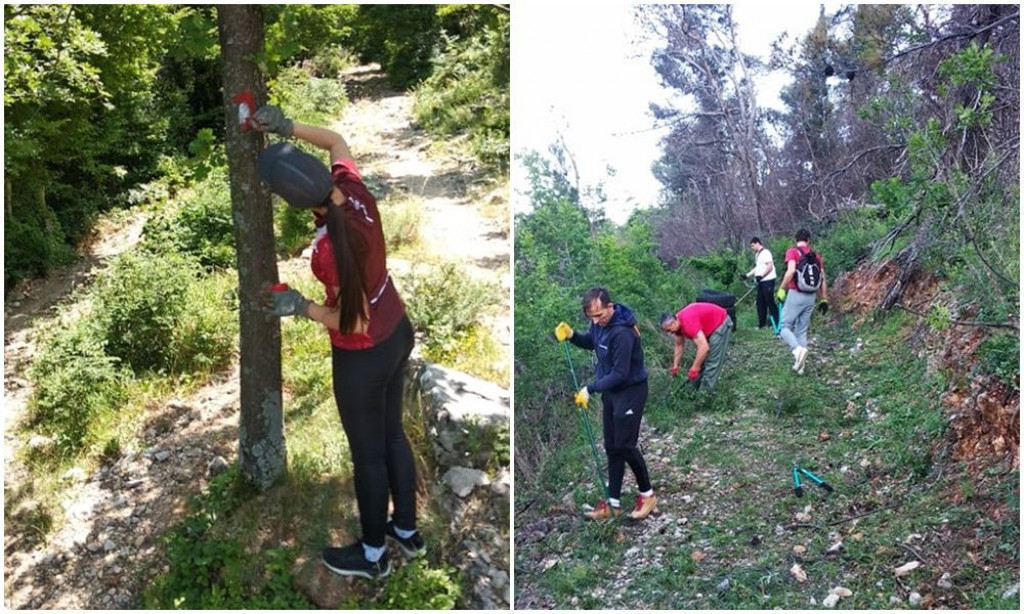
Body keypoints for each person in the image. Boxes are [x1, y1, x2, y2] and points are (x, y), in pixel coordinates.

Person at [253, 105, 421, 580]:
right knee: (392, 435)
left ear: (304, 206)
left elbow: (353, 323)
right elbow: (336, 142)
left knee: (368, 454)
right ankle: (405, 530)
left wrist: (301, 307)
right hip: (398, 332)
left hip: (363, 357)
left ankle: (371, 556)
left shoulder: (332, 252)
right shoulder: (352, 192)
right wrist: (287, 128)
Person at [554, 288, 657, 521]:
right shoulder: (598, 325)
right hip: (611, 392)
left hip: (630, 390)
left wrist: (590, 389)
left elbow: (620, 373)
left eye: (600, 315)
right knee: (611, 446)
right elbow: (592, 342)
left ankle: (648, 495)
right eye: (592, 317)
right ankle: (613, 504)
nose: (596, 321)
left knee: (625, 445)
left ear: (610, 307)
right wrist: (572, 335)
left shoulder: (623, 333)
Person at [775, 228, 829, 374]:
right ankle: (801, 367)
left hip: (796, 294)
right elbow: (822, 278)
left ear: (796, 239)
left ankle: (797, 350)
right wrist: (823, 298)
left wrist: (782, 289)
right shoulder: (816, 256)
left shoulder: (792, 252)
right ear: (808, 240)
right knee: (801, 331)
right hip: (811, 296)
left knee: (784, 327)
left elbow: (791, 271)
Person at [660, 301, 734, 392]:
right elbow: (679, 345)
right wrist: (675, 366)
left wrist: (694, 368)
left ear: (673, 323)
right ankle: (693, 391)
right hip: (708, 328)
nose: (669, 334)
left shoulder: (688, 323)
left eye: (669, 330)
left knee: (712, 363)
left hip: (721, 323)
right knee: (702, 362)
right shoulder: (677, 325)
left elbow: (704, 348)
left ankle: (704, 399)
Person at [741, 236, 779, 330]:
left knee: (770, 302)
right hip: (761, 282)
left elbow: (770, 267)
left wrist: (762, 275)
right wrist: (747, 275)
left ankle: (776, 322)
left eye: (753, 246)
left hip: (768, 281)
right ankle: (762, 323)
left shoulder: (766, 253)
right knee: (760, 303)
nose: (752, 248)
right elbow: (757, 267)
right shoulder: (757, 255)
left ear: (757, 243)